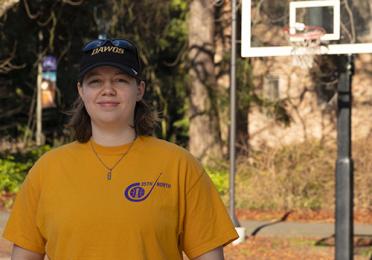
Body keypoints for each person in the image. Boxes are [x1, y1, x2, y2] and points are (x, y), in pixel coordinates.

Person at [3, 38, 238, 260]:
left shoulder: (179, 165)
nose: (108, 90)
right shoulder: (47, 170)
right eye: (95, 81)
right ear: (81, 91)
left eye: (120, 80)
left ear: (139, 90)